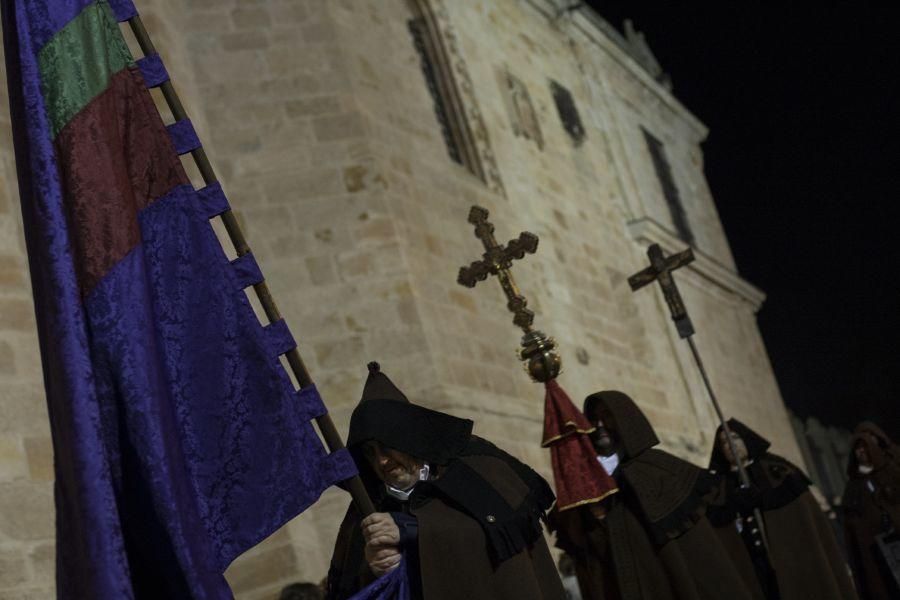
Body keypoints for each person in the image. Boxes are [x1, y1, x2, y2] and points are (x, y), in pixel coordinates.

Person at [325, 362, 565, 600]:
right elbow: (351, 586)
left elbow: (499, 541)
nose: (382, 461)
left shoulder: (475, 467)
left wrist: (410, 529)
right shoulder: (365, 511)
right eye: (370, 452)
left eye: (386, 446)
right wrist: (375, 568)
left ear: (406, 437)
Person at [550, 390, 754, 600]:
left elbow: (698, 550)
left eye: (607, 415)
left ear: (625, 418)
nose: (600, 424)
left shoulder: (658, 469)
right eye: (593, 419)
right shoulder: (588, 480)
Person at [707, 419, 857, 600]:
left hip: (787, 556)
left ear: (746, 439)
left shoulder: (775, 468)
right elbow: (716, 520)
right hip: (751, 566)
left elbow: (796, 508)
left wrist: (762, 499)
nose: (730, 445)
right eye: (723, 442)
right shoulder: (719, 486)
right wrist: (735, 505)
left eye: (734, 438)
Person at [842, 422, 900, 600]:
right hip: (878, 550)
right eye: (857, 448)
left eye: (864, 446)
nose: (861, 451)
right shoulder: (854, 486)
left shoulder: (892, 469)